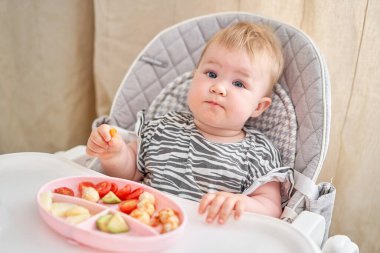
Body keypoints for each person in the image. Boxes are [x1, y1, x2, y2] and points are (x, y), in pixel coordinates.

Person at [86, 22, 293, 224]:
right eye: (211, 74)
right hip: (146, 224)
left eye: (238, 83)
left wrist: (241, 203)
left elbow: (272, 208)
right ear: (193, 79)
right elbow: (130, 172)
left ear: (259, 106)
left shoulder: (258, 153)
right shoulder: (163, 127)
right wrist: (114, 154)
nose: (218, 87)